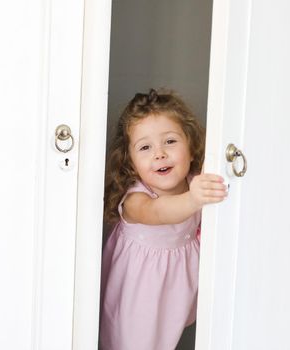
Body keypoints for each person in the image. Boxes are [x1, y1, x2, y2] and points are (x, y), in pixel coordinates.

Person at [100, 89, 227, 350]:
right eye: (145, 147)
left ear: (191, 148)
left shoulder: (194, 182)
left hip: (176, 283)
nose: (159, 154)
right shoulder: (136, 199)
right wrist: (194, 200)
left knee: (165, 339)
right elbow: (158, 212)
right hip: (138, 290)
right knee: (131, 342)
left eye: (170, 141)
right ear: (131, 163)